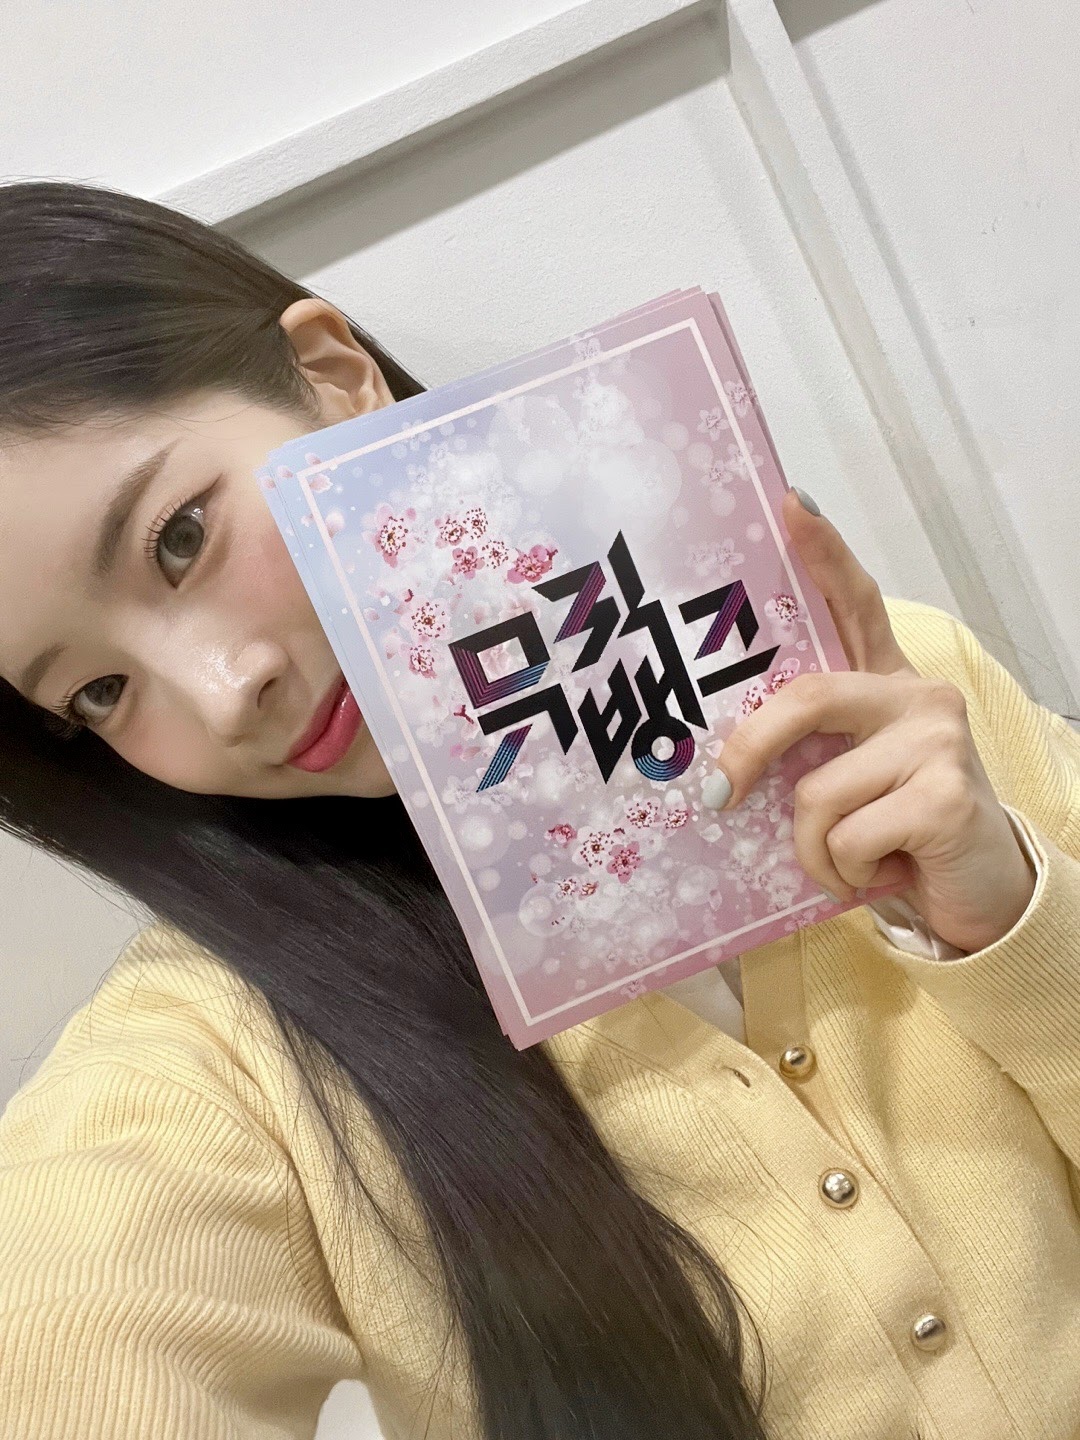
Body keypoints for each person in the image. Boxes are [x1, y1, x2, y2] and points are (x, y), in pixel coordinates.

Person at [0, 180, 1076, 1440]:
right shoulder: (217, 1050)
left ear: (335, 380)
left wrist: (1019, 922)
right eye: (99, 692)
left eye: (180, 538)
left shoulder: (898, 706)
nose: (224, 695)